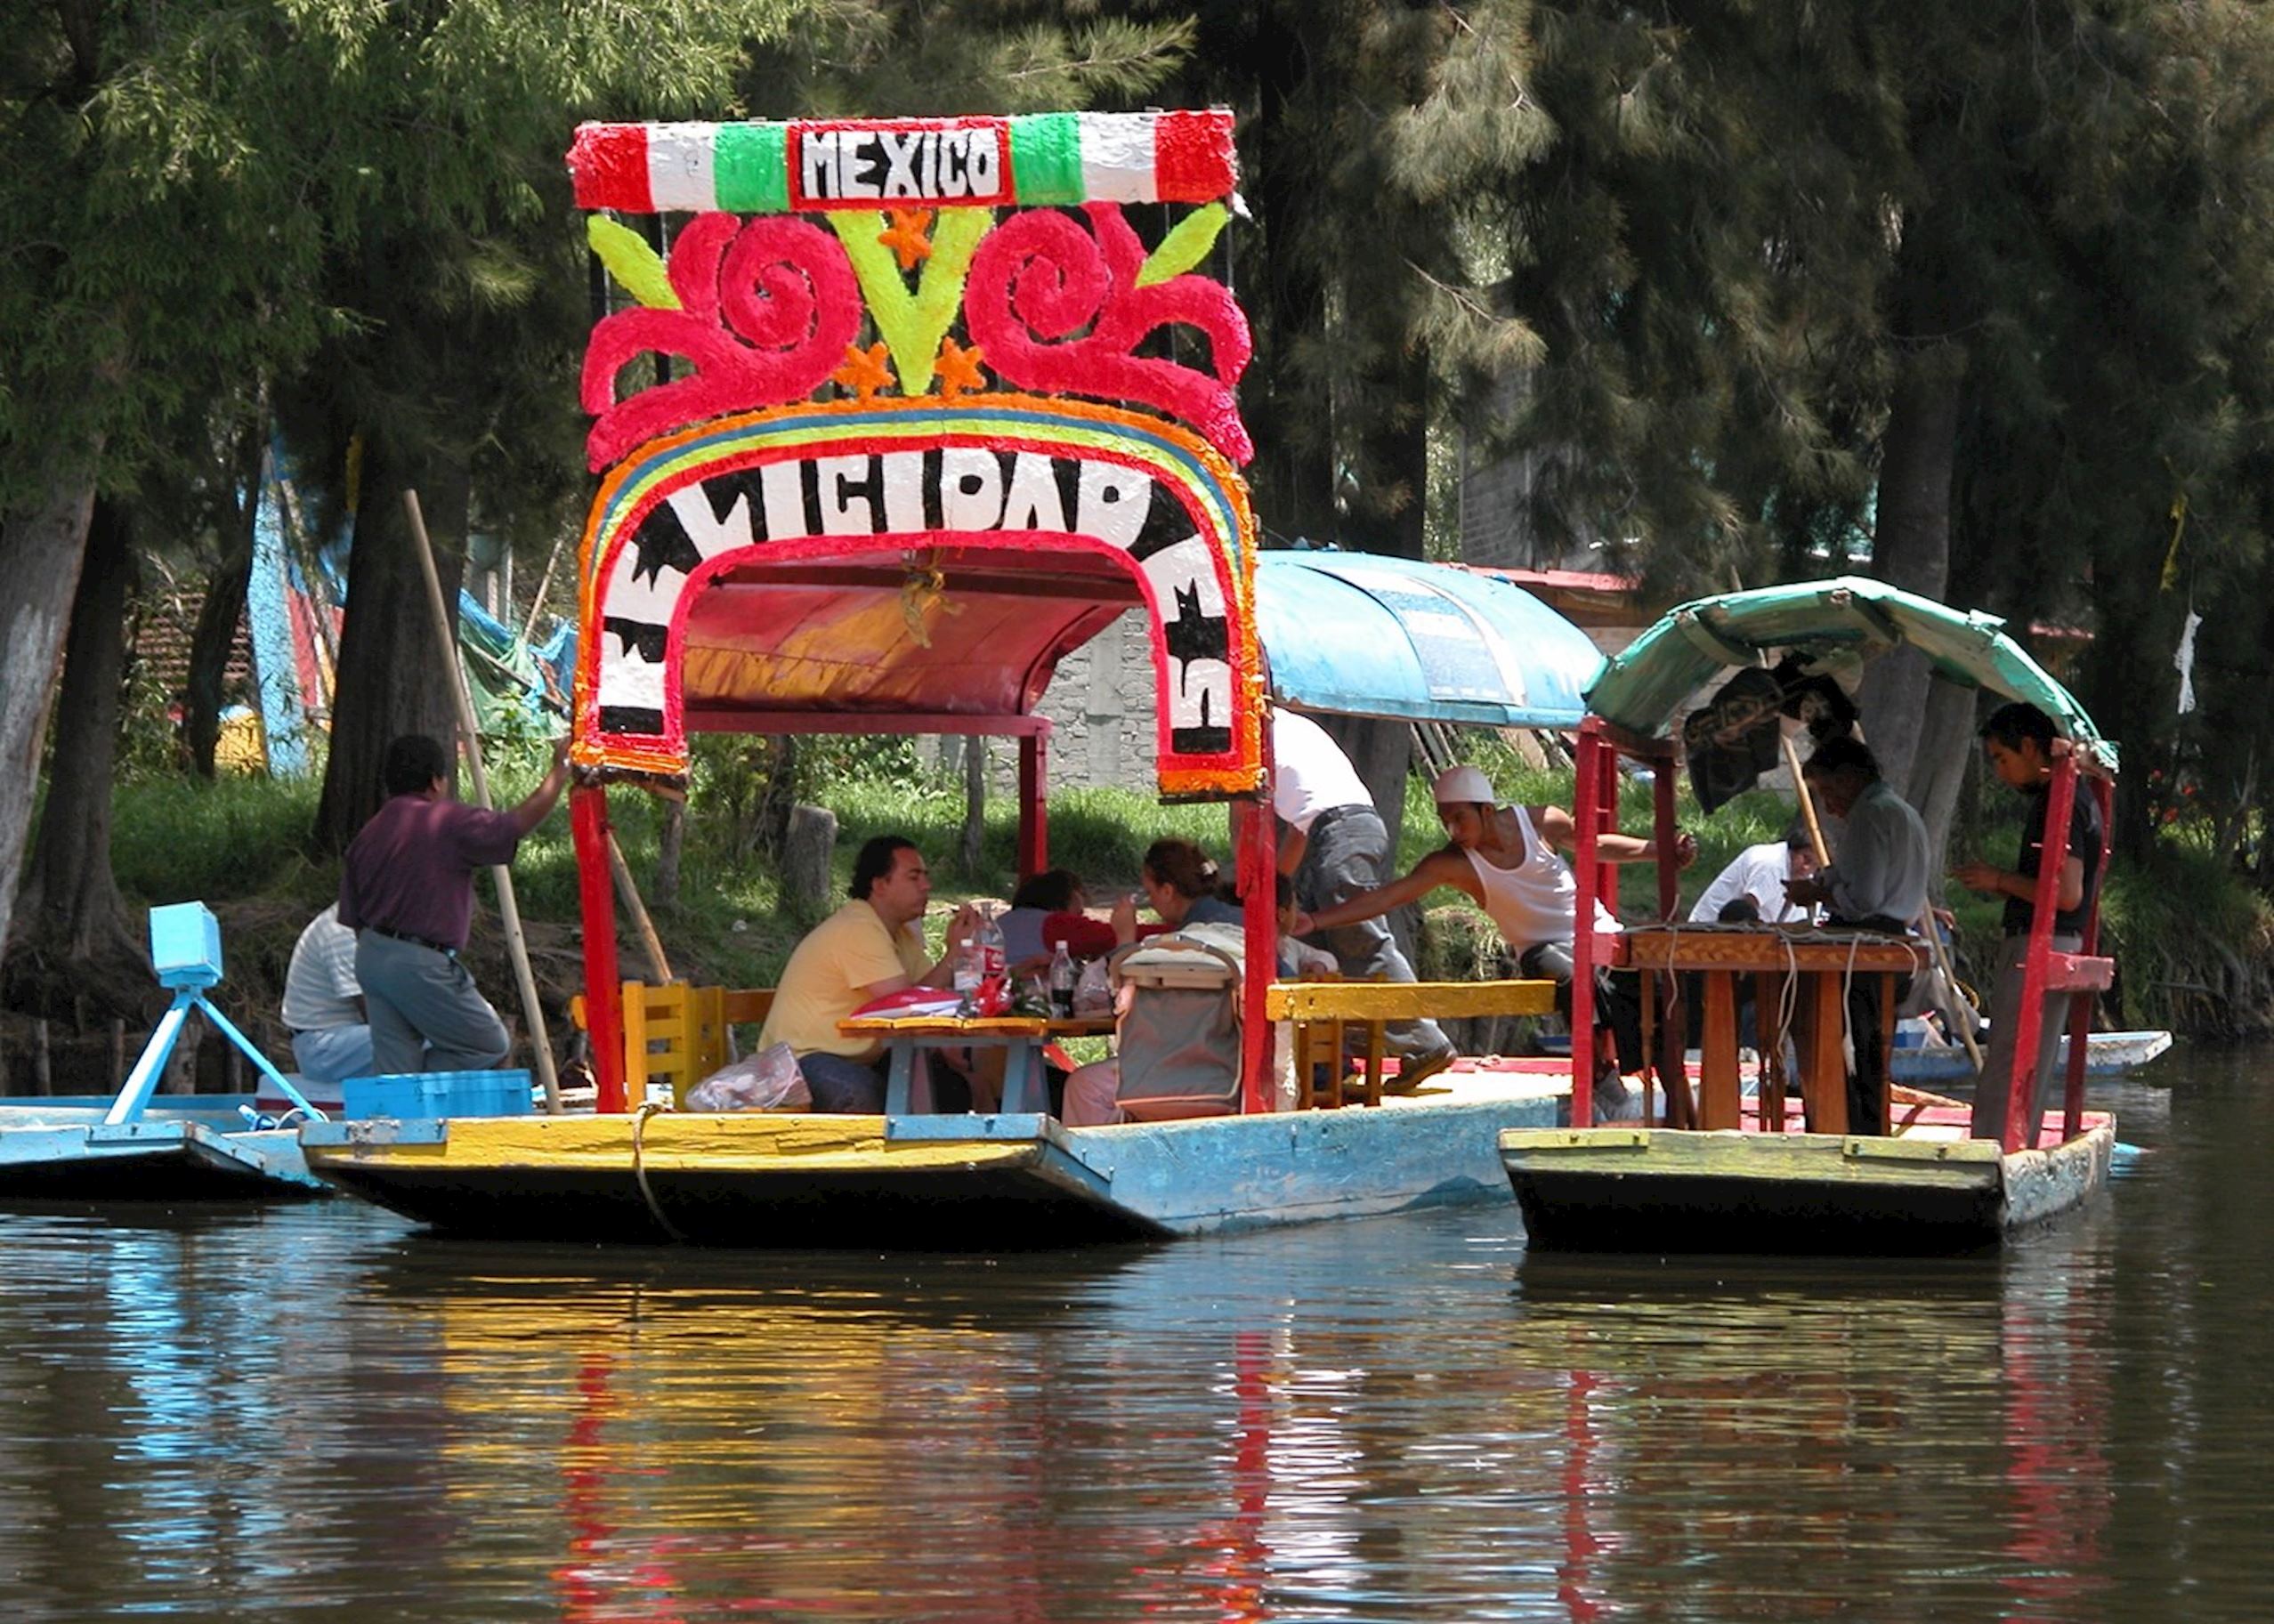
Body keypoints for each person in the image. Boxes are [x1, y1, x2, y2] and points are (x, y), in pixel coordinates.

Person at [1291, 764, 1695, 1103]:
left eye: (1459, 818)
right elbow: (1385, 898)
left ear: (1486, 809)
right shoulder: (1449, 864)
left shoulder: (1540, 821)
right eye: (1444, 820)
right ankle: (1599, 1078)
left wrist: (1658, 848)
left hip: (1598, 933)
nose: (1452, 829)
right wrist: (1317, 921)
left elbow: (1596, 845)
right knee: (1572, 975)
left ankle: (1676, 1093)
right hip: (1540, 948)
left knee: (1654, 993)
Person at [339, 733, 570, 1076]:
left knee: (394, 1067)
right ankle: (417, 1084)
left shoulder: (369, 834)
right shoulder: (446, 822)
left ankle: (399, 1101)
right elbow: (515, 824)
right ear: (435, 781)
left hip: (372, 955)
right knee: (488, 1043)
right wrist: (559, 772)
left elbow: (354, 918)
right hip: (419, 960)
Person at [1260, 710, 1455, 1081]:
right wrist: (1270, 891)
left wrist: (1254, 893)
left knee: (1361, 938)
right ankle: (1337, 1057)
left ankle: (1425, 1041)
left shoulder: (1262, 730)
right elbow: (1300, 833)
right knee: (1316, 942)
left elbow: (1255, 812)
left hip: (1342, 830)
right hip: (1343, 829)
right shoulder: (1294, 731)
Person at [1954, 703, 2106, 1146]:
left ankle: (1995, 1150)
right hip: (2052, 937)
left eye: (2002, 758)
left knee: (2010, 1055)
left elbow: (2066, 894)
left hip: (2044, 941)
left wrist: (1998, 879)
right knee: (2021, 1054)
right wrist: (1999, 885)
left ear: (2028, 746)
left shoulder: (2066, 799)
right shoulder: (2067, 795)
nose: (2000, 772)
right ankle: (2008, 1144)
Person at [757, 835, 979, 1113]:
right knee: (863, 1096)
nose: (927, 886)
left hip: (857, 1059)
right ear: (879, 885)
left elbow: (934, 997)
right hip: (800, 1062)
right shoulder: (858, 928)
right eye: (914, 877)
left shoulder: (901, 934)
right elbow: (907, 1006)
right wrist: (955, 953)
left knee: (947, 1089)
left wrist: (964, 954)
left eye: (926, 876)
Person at [1783, 736, 1930, 1135]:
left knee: (1853, 1046)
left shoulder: (1872, 816)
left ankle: (1850, 1127)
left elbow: (1863, 898)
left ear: (1849, 778)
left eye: (1830, 791)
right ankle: (1861, 1124)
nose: (1829, 806)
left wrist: (1818, 893)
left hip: (1866, 946)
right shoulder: (1902, 812)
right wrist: (1829, 883)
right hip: (1889, 940)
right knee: (1868, 1048)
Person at [279, 902, 372, 1084]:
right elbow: (375, 1014)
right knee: (424, 1035)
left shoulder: (374, 927)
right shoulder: (342, 933)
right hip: (322, 1046)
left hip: (350, 1038)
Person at [1687, 823, 1817, 925]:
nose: (1807, 868)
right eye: (1806, 858)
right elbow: (1744, 913)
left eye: (1814, 865)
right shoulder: (1771, 864)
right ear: (1793, 850)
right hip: (1712, 931)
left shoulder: (1803, 875)